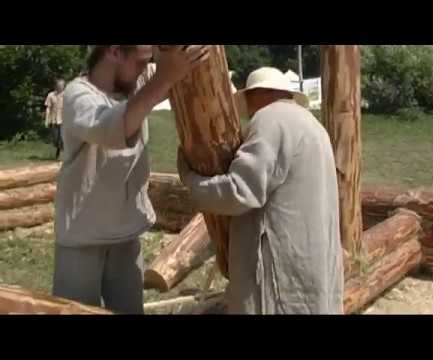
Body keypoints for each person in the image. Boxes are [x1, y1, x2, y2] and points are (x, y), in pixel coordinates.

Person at [53, 45, 210, 314]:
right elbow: (113, 127)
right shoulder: (78, 95)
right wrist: (165, 78)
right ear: (114, 52)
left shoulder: (134, 80)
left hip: (127, 236)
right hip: (82, 238)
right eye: (140, 62)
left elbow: (171, 60)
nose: (145, 69)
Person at [177, 67, 344, 315]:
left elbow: (241, 191)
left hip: (282, 260)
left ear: (257, 94)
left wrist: (192, 181)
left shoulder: (270, 120)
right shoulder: (312, 124)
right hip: (311, 254)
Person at [44, 79, 66, 160]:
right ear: (56, 86)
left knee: (62, 138)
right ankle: (59, 149)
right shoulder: (51, 95)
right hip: (54, 119)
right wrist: (46, 119)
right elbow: (48, 108)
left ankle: (62, 155)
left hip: (64, 120)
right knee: (55, 138)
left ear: (64, 87)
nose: (60, 87)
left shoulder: (67, 95)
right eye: (58, 86)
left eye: (61, 86)